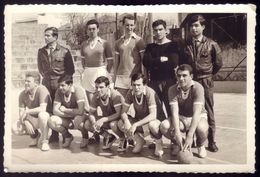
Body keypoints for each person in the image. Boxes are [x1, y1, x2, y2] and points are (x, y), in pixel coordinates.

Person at [183, 14, 223, 152]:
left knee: (209, 111)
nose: (193, 28)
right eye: (191, 26)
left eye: (196, 25)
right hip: (191, 82)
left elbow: (218, 64)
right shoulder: (185, 45)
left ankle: (211, 141)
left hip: (206, 81)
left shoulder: (212, 44)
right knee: (190, 110)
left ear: (203, 27)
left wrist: (208, 75)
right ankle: (193, 138)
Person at [160, 64, 209, 158]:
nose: (181, 78)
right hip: (181, 117)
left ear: (191, 76)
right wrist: (177, 134)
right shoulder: (172, 89)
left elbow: (196, 113)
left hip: (197, 116)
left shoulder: (198, 88)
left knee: (202, 128)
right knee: (164, 126)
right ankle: (179, 143)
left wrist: (190, 136)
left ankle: (200, 144)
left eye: (184, 75)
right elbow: (174, 113)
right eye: (179, 75)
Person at [37, 27, 75, 143]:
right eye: (45, 35)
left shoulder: (65, 51)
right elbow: (40, 69)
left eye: (48, 35)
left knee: (59, 108)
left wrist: (65, 85)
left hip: (60, 84)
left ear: (55, 37)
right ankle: (53, 134)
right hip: (46, 84)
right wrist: (46, 79)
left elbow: (70, 70)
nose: (45, 37)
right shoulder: (41, 51)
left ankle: (64, 133)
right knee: (48, 109)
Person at [116, 73, 165, 156]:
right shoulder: (131, 92)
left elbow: (153, 115)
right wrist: (126, 121)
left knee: (152, 125)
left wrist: (135, 125)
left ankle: (159, 143)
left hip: (156, 122)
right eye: (134, 85)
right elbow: (123, 112)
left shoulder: (149, 92)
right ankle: (139, 140)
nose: (136, 88)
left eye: (139, 85)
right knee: (121, 123)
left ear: (144, 85)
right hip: (142, 122)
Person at [143, 19, 179, 118]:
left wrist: (153, 62)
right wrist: (160, 59)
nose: (158, 32)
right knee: (155, 111)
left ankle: (173, 131)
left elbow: (173, 63)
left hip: (169, 81)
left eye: (160, 29)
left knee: (171, 110)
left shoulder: (173, 45)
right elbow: (146, 62)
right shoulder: (150, 47)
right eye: (155, 30)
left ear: (166, 30)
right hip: (153, 82)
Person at [48, 75, 89, 148]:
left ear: (70, 85)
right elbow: (55, 111)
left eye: (63, 85)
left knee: (77, 120)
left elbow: (81, 111)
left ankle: (85, 137)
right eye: (59, 85)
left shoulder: (78, 90)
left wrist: (66, 110)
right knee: (52, 120)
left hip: (81, 117)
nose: (60, 88)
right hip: (70, 117)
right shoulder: (59, 91)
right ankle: (68, 136)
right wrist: (69, 115)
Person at [84, 76, 124, 150]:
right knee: (88, 124)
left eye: (101, 87)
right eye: (96, 87)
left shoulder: (115, 95)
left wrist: (102, 120)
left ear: (108, 87)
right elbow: (91, 113)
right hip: (107, 119)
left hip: (119, 120)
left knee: (113, 125)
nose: (98, 90)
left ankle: (123, 138)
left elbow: (118, 114)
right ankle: (109, 136)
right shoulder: (96, 95)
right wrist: (94, 123)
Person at [81, 19, 113, 101]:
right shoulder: (83, 44)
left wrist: (105, 72)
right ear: (87, 31)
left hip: (100, 71)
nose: (91, 31)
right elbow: (83, 61)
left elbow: (110, 62)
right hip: (88, 72)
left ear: (98, 29)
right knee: (91, 101)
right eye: (89, 29)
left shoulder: (105, 43)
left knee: (103, 98)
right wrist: (86, 71)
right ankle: (93, 113)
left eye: (94, 29)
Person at [114, 14, 146, 98]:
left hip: (135, 77)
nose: (129, 27)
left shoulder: (139, 41)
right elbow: (116, 62)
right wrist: (114, 78)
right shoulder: (118, 42)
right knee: (122, 104)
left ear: (134, 26)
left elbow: (143, 61)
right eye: (127, 25)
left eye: (131, 25)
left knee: (135, 106)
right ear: (123, 25)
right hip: (121, 78)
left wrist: (144, 78)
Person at [18, 72, 52, 151]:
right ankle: (35, 137)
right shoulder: (22, 94)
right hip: (33, 118)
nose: (26, 83)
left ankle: (44, 141)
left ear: (36, 83)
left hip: (47, 118)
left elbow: (42, 109)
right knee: (15, 128)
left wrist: (27, 112)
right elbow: (21, 112)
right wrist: (26, 121)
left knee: (42, 115)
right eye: (25, 81)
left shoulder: (42, 89)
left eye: (28, 81)